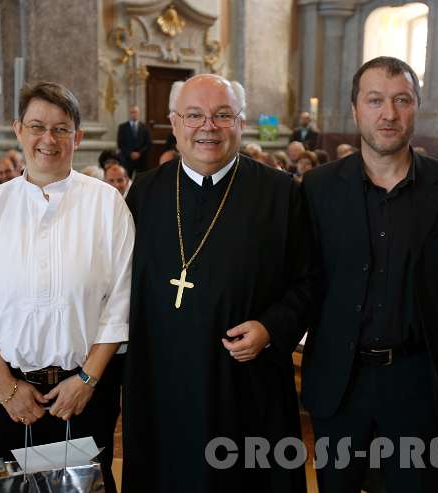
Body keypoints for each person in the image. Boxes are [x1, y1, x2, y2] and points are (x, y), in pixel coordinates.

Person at [123, 74, 311, 493]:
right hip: (161, 380)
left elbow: (309, 281)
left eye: (222, 115)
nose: (207, 126)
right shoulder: (146, 192)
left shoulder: (281, 194)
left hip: (243, 384)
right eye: (194, 115)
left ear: (240, 123)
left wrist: (271, 328)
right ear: (174, 124)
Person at [0, 82, 133, 493]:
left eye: (62, 129)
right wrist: (6, 389)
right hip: (10, 394)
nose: (49, 139)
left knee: (87, 488)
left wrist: (86, 380)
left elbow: (121, 301)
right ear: (18, 130)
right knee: (18, 487)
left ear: (77, 137)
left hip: (84, 395)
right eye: (37, 126)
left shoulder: (106, 204)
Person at [301, 56, 438, 492]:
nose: (389, 113)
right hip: (341, 379)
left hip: (417, 376)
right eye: (375, 100)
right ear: (356, 109)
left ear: (417, 106)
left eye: (402, 100)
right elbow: (307, 277)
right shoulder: (317, 188)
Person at [117, 105, 151, 175]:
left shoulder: (145, 127)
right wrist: (130, 153)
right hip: (127, 158)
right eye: (132, 112)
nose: (134, 114)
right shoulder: (122, 127)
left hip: (141, 159)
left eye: (135, 112)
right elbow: (120, 143)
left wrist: (139, 153)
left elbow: (148, 143)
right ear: (129, 114)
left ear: (139, 113)